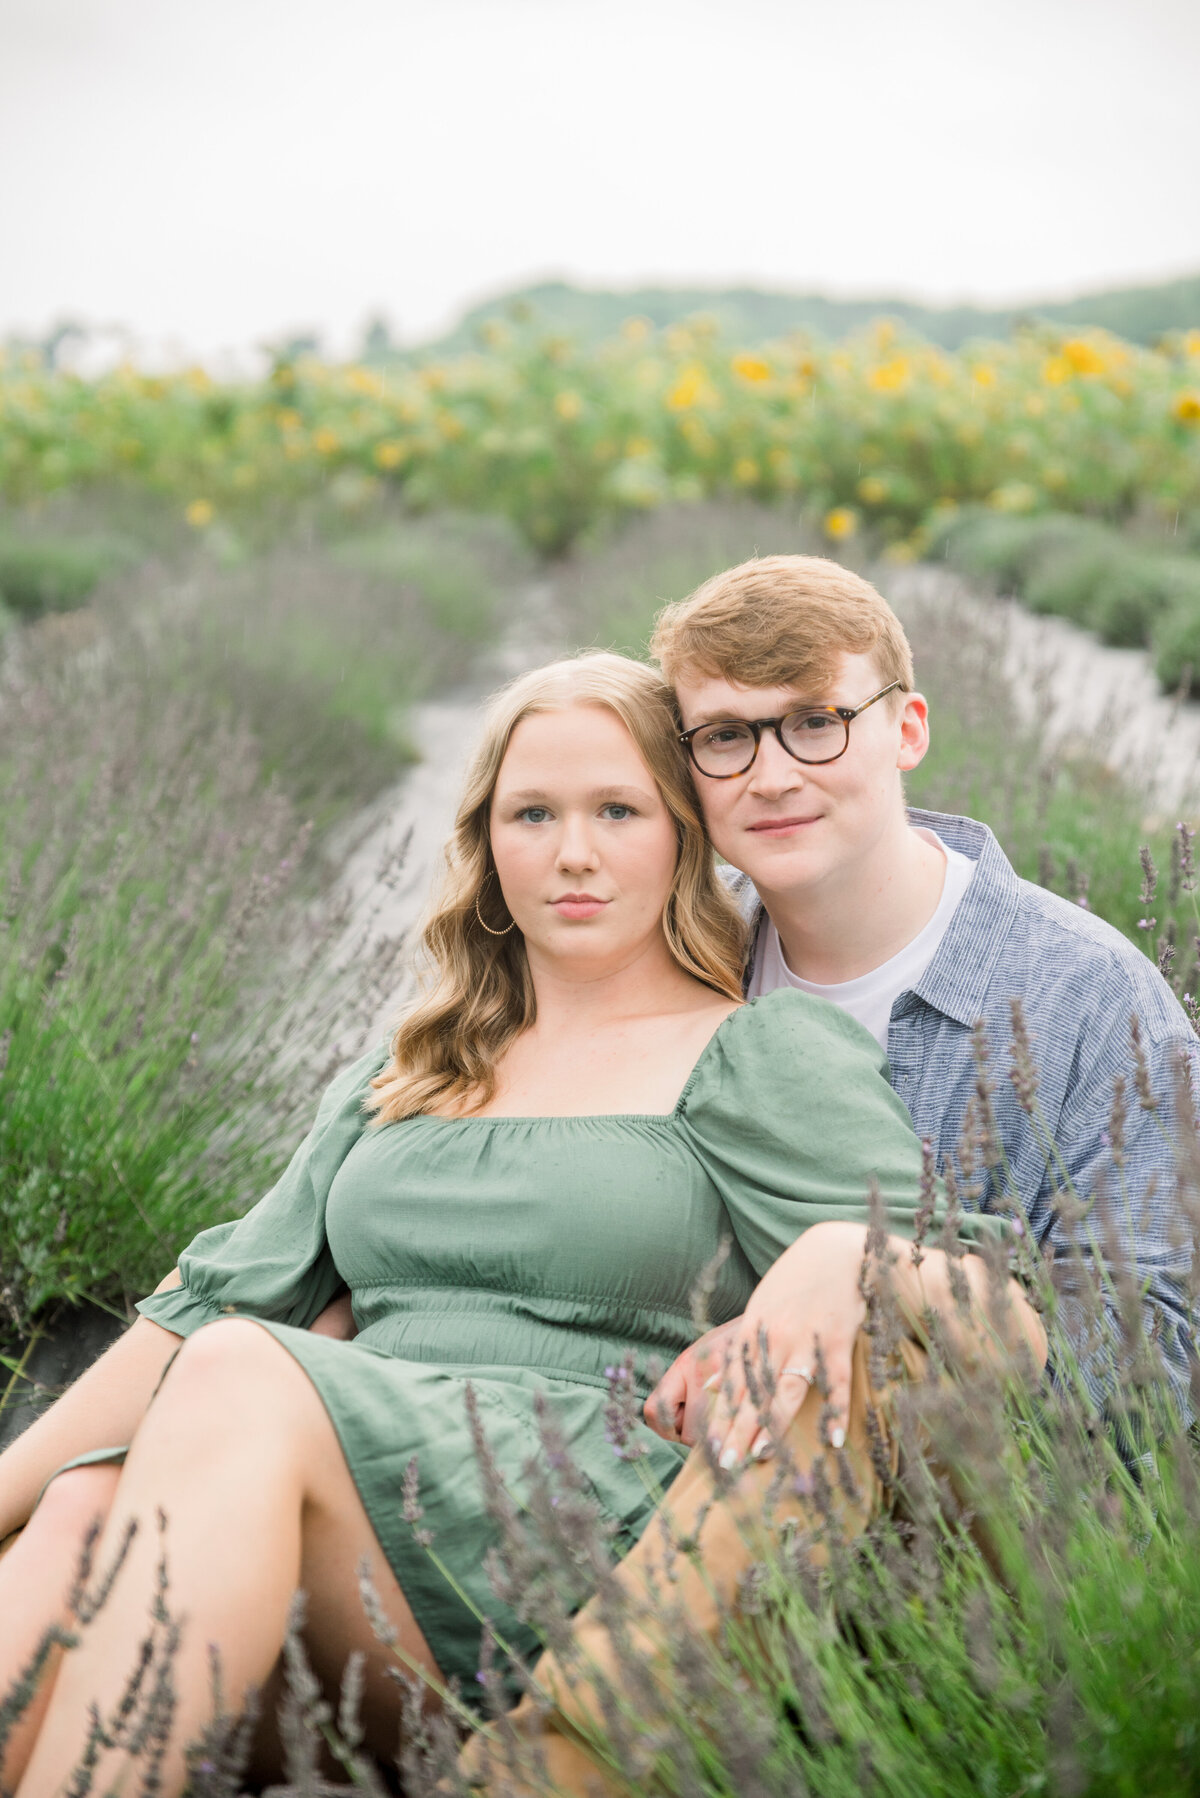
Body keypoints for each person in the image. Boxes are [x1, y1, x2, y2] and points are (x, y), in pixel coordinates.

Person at [0, 652, 1044, 1794]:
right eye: (532, 813)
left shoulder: (758, 1053)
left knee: (240, 1371)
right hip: (355, 1530)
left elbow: (963, 1313)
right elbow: (206, 1303)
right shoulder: (405, 1072)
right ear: (489, 848)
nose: (574, 852)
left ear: (683, 838)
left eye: (618, 810)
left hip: (571, 1541)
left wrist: (847, 1255)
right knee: (77, 1504)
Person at [459, 557, 1198, 1796]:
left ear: (906, 726)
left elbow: (1166, 1362)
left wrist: (875, 1266)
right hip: (686, 1501)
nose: (774, 771)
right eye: (727, 737)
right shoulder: (684, 961)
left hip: (988, 1550)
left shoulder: (1083, 993)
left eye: (815, 720)